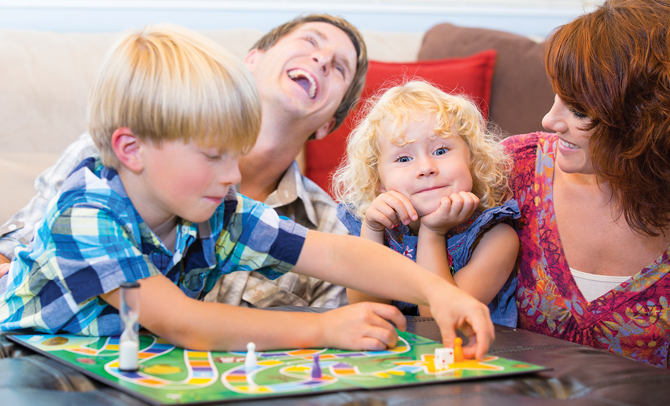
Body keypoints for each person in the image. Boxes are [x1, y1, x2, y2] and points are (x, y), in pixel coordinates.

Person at [0, 25, 494, 356]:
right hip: (29, 369)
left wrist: (436, 293)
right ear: (131, 150)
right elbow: (182, 322)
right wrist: (322, 329)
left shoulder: (219, 210)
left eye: (235, 156)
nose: (232, 174)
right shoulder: (86, 212)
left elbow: (335, 255)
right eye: (214, 156)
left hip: (124, 368)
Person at [0, 14, 369, 309]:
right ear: (251, 60)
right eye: (309, 41)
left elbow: (342, 338)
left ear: (328, 124)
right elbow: (15, 255)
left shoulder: (328, 225)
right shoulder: (115, 163)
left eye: (340, 68)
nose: (321, 60)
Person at [502, 0, 670, 367]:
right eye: (557, 95)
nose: (549, 120)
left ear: (643, 122)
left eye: (578, 110)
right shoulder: (515, 170)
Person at [332, 81, 519, 326]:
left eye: (441, 151)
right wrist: (372, 231)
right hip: (398, 358)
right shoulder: (378, 227)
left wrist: (433, 231)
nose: (426, 168)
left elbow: (436, 320)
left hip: (471, 358)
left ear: (472, 160)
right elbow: (368, 310)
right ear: (379, 181)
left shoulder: (496, 237)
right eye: (404, 158)